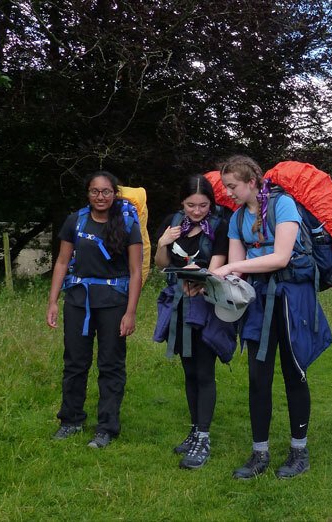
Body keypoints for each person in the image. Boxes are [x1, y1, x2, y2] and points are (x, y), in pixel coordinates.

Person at [212, 154, 332, 480]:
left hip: (293, 299)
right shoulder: (237, 219)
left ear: (252, 182)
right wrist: (219, 280)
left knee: (295, 374)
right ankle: (259, 452)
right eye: (226, 187)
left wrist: (233, 267)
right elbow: (238, 270)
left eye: (233, 186)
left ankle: (299, 451)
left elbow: (280, 257)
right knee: (258, 378)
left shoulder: (284, 206)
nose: (229, 192)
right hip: (259, 303)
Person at [47, 171, 143, 449]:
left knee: (111, 364)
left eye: (106, 192)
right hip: (78, 300)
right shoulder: (75, 221)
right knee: (75, 362)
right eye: (94, 191)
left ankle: (107, 427)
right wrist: (53, 301)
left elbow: (136, 271)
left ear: (115, 194)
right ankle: (71, 420)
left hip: (114, 303)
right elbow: (62, 263)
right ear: (88, 193)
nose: (100, 197)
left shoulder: (127, 223)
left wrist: (131, 312)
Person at [153, 175, 230, 469]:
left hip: (208, 303)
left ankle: (204, 437)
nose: (197, 211)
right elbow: (162, 264)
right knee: (188, 370)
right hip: (179, 303)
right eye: (190, 205)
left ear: (211, 203)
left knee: (204, 370)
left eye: (203, 205)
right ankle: (194, 429)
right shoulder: (172, 222)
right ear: (181, 202)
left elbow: (218, 264)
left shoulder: (221, 225)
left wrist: (200, 283)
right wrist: (163, 243)